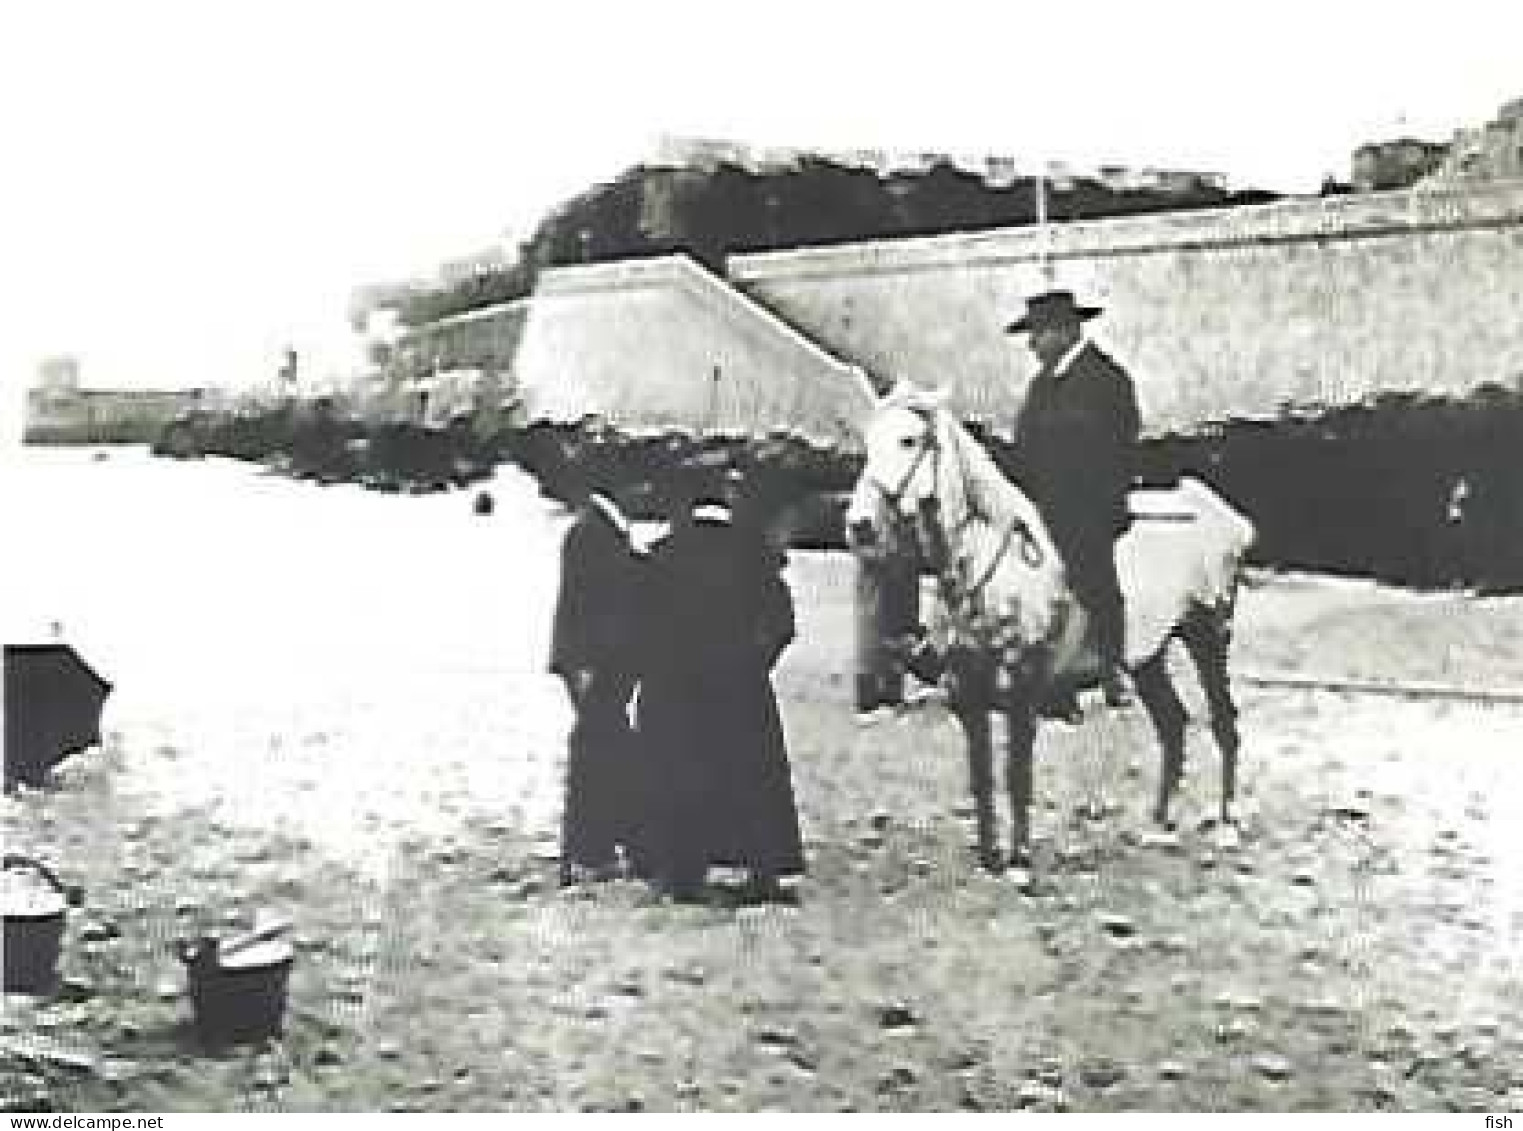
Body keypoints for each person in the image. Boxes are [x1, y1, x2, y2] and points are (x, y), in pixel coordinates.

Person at [638, 459, 805, 902]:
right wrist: (755, 663)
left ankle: (682, 872)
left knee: (682, 778)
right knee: (752, 778)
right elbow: (783, 623)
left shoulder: (661, 555)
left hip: (677, 694)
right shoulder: (751, 554)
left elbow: (641, 626)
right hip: (741, 690)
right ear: (727, 501)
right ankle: (761, 869)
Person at [1005, 289, 1140, 707]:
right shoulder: (1041, 387)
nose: (1031, 345)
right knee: (1048, 591)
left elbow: (1122, 446)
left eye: (1038, 335)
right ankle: (1058, 671)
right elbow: (1024, 445)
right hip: (1045, 507)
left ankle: (1110, 668)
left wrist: (1105, 506)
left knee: (1094, 585)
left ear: (1065, 332)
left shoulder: (1108, 380)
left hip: (1090, 509)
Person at [548, 462, 650, 885]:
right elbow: (589, 603)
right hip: (596, 660)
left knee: (604, 747)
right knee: (600, 749)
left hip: (592, 660)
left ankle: (597, 844)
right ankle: (592, 847)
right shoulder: (593, 533)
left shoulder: (597, 528)